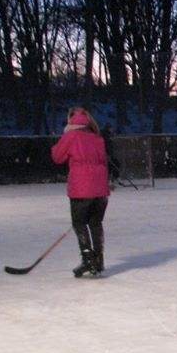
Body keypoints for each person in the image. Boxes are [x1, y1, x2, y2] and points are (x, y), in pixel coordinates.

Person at [51, 107, 109, 277]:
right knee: (95, 224)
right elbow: (104, 161)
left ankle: (88, 259)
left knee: (79, 223)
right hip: (100, 189)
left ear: (70, 121)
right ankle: (98, 261)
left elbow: (57, 157)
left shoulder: (71, 136)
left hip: (81, 188)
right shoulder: (97, 138)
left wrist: (64, 136)